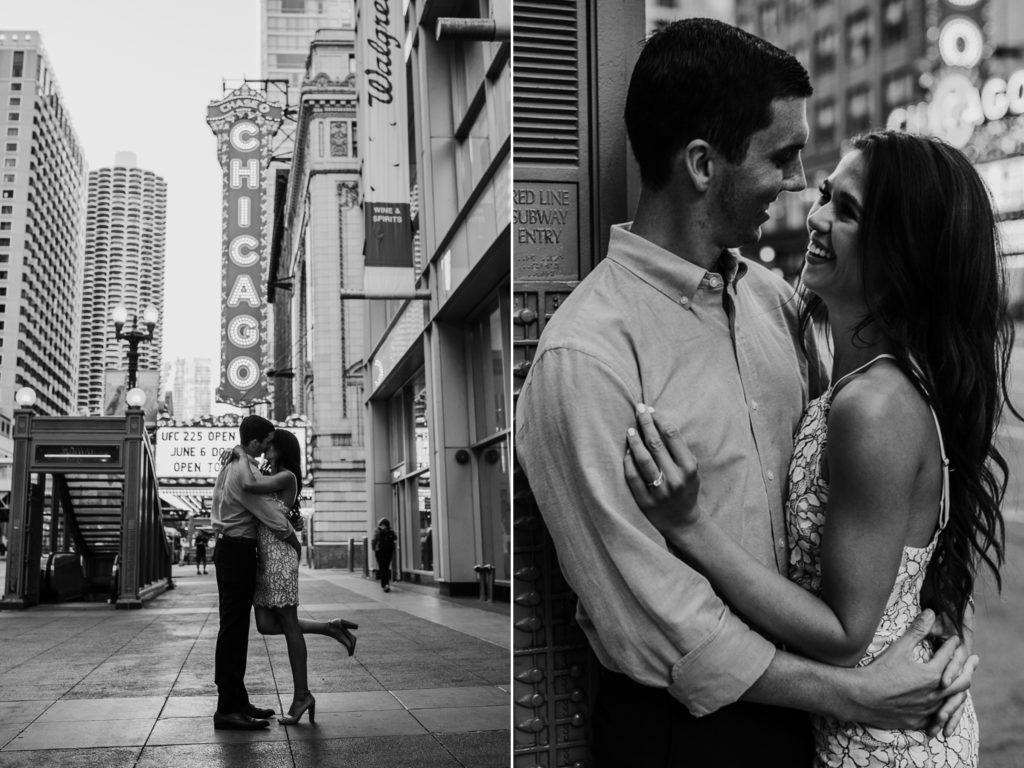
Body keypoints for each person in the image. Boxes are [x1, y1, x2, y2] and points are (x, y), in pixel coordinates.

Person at [514, 19, 974, 767]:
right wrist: (857, 694)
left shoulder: (776, 303)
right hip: (688, 736)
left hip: (816, 719)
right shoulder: (586, 355)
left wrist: (921, 627)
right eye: (785, 157)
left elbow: (874, 502)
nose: (799, 187)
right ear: (702, 163)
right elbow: (657, 621)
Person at [624, 130, 1017, 766]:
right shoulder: (856, 379)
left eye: (849, 210)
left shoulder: (875, 406)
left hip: (881, 742)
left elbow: (843, 632)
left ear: (904, 253)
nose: (818, 214)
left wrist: (689, 525)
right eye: (829, 195)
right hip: (869, 719)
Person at [228, 429, 359, 725]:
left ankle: (302, 695)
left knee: (288, 625)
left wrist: (238, 453)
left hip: (280, 557)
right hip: (263, 558)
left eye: (272, 444)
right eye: (266, 441)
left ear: (283, 448)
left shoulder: (287, 476)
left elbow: (249, 484)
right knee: (265, 625)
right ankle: (330, 627)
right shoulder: (266, 471)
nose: (266, 447)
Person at [210, 414, 300, 731]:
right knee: (233, 629)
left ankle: (237, 700)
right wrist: (294, 541)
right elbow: (270, 515)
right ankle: (227, 708)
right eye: (264, 442)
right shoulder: (243, 469)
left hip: (231, 550)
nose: (266, 449)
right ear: (253, 442)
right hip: (237, 551)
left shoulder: (238, 462)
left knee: (234, 627)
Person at [371, 518, 397, 592]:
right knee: (385, 568)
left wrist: (373, 548)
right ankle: (386, 584)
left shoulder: (377, 531)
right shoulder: (391, 531)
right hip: (388, 552)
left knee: (383, 568)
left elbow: (374, 541)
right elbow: (395, 538)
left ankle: (385, 585)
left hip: (380, 552)